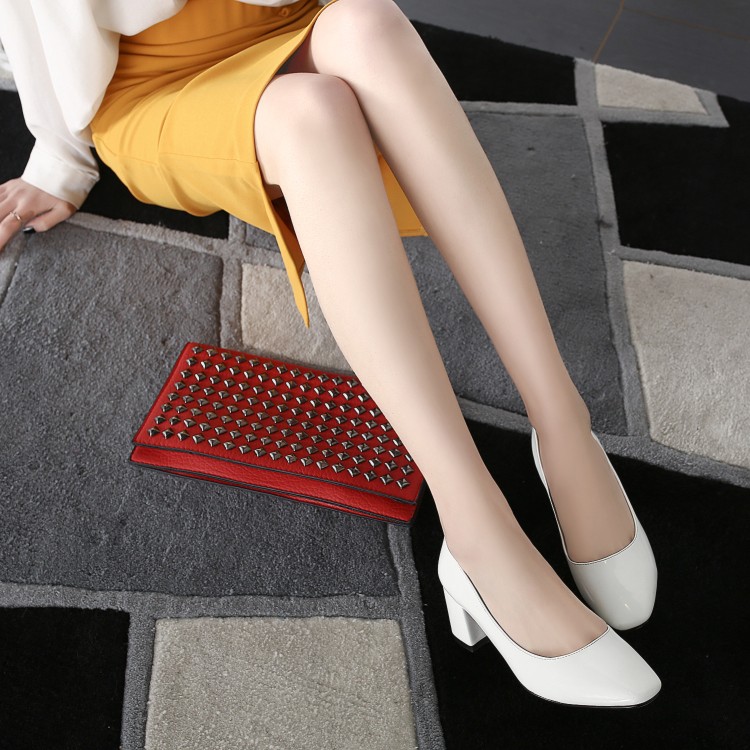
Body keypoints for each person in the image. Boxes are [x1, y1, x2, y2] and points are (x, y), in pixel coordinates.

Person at [0, 0, 660, 706]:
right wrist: (60, 159)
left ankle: (563, 426)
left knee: (370, 23)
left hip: (283, 16)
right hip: (152, 80)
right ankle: (476, 529)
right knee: (312, 116)